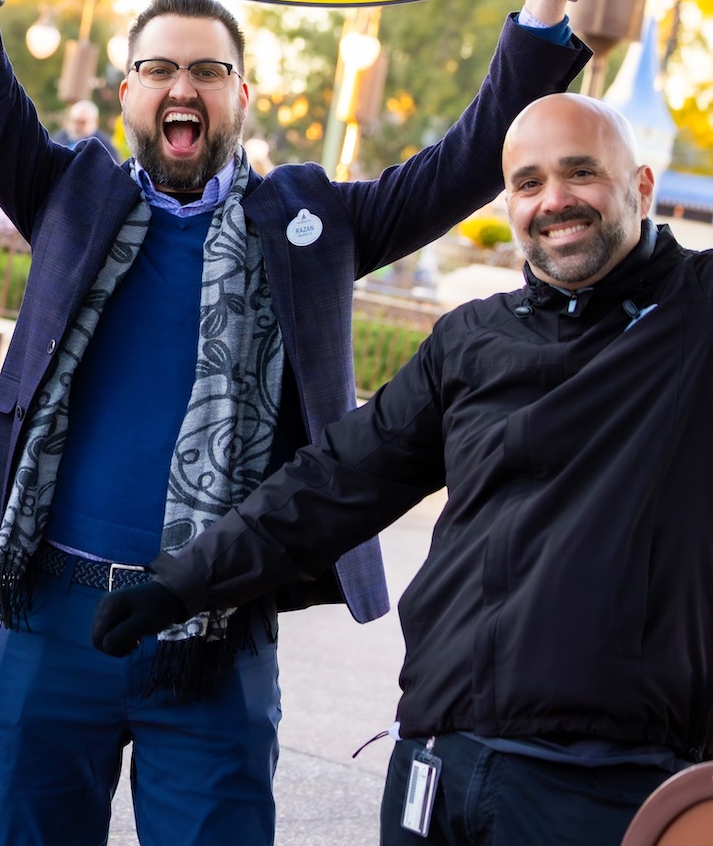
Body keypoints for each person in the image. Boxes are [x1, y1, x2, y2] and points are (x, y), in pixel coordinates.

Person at [0, 0, 612, 846]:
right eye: (158, 69)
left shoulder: (312, 223)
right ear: (129, 92)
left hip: (218, 629)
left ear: (242, 95)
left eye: (209, 70)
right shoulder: (67, 192)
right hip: (55, 616)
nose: (181, 87)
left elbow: (472, 157)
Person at [94, 93, 710, 846]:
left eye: (581, 173)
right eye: (528, 181)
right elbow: (337, 479)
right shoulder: (472, 339)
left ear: (641, 187)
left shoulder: (696, 312)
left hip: (607, 782)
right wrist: (182, 579)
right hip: (437, 760)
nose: (555, 200)